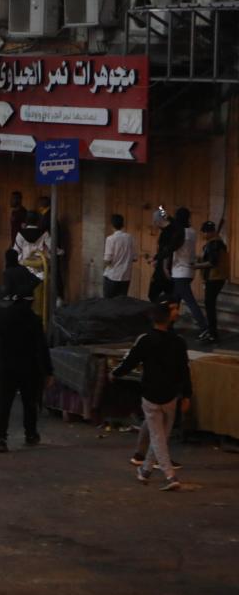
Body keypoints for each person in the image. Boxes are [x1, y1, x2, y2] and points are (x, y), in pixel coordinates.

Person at [111, 301, 190, 492]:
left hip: (151, 394)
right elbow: (184, 370)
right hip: (171, 394)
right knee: (162, 436)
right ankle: (145, 470)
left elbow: (130, 362)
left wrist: (115, 374)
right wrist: (187, 395)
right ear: (169, 319)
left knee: (157, 437)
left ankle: (170, 475)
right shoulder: (179, 342)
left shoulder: (145, 340)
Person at [0, 293, 53, 452]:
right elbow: (42, 347)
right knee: (29, 403)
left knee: (4, 403)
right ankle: (30, 434)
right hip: (29, 368)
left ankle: (1, 438)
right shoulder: (34, 319)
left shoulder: (1, 316)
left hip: (7, 367)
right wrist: (48, 371)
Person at [169, 207, 209, 334]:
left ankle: (204, 327)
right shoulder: (192, 232)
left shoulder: (178, 233)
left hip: (179, 271)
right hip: (189, 271)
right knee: (175, 300)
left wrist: (161, 209)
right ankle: (168, 325)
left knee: (190, 301)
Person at [14, 212, 53, 324]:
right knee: (42, 299)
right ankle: (41, 322)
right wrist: (61, 252)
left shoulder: (20, 234)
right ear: (38, 221)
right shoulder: (44, 233)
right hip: (41, 269)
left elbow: (16, 252)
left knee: (27, 299)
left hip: (25, 270)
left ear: (26, 221)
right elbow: (53, 248)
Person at [198, 221, 227, 342]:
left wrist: (196, 266)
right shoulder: (215, 243)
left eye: (205, 232)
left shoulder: (214, 244)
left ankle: (212, 333)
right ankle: (211, 331)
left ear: (210, 232)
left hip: (215, 278)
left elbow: (212, 262)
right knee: (209, 305)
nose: (204, 234)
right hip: (216, 278)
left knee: (210, 305)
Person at [103, 213, 135, 299]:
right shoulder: (130, 238)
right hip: (126, 276)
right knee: (121, 303)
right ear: (122, 224)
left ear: (112, 225)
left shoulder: (110, 239)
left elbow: (107, 260)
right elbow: (134, 258)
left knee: (109, 303)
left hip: (112, 276)